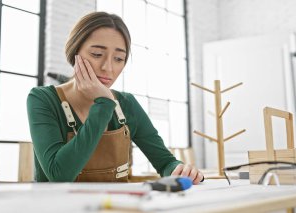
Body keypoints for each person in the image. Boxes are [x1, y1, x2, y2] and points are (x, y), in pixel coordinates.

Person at [27, 11, 204, 184]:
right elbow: (59, 175)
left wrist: (180, 169)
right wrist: (104, 104)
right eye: (97, 54)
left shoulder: (127, 104)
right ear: (75, 52)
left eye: (119, 58)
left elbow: (165, 162)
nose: (108, 67)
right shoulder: (42, 99)